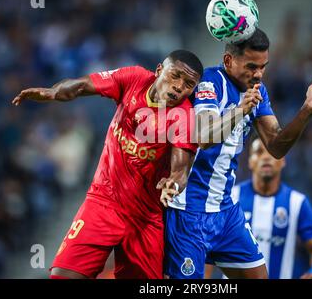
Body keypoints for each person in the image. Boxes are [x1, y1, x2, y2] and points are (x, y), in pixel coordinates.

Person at [164, 28, 312, 279]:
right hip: (189, 210)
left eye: (263, 67)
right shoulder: (209, 82)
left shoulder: (258, 91)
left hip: (225, 210)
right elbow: (204, 137)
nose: (258, 74)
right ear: (229, 61)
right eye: (251, 66)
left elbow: (276, 145)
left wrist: (307, 110)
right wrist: (240, 110)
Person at [12, 50, 203, 279]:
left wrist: (173, 184)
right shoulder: (134, 78)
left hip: (145, 218)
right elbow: (82, 85)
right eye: (175, 76)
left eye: (188, 83)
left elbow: (181, 170)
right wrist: (54, 92)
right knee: (63, 276)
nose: (179, 86)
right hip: (104, 201)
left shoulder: (185, 117)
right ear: (159, 70)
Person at [205, 138, 312, 279]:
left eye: (273, 152)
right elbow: (210, 246)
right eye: (259, 152)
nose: (266, 157)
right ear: (250, 161)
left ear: (283, 161)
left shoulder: (297, 203)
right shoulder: (230, 199)